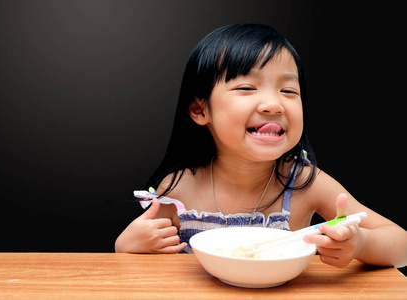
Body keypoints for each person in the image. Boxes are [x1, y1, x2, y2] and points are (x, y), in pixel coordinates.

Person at [115, 23, 407, 268]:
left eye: (288, 90)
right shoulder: (180, 188)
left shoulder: (304, 182)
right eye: (246, 88)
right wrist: (126, 245)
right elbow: (137, 265)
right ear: (200, 110)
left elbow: (402, 244)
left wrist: (360, 244)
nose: (273, 104)